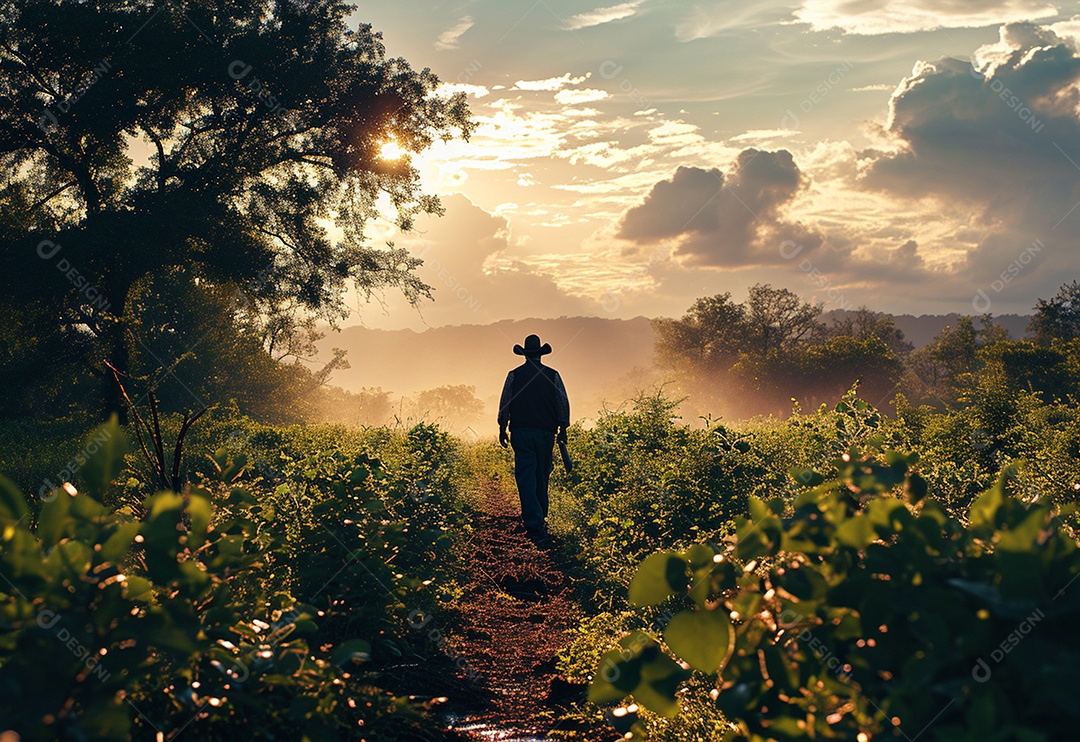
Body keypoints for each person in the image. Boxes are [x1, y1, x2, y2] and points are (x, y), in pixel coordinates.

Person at [497, 334, 570, 535]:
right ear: (540, 354)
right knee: (542, 474)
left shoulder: (514, 375)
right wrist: (563, 428)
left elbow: (505, 403)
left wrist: (502, 427)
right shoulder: (553, 375)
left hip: (520, 431)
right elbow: (562, 403)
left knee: (526, 475)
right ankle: (541, 517)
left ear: (524, 355)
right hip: (546, 433)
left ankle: (532, 520)